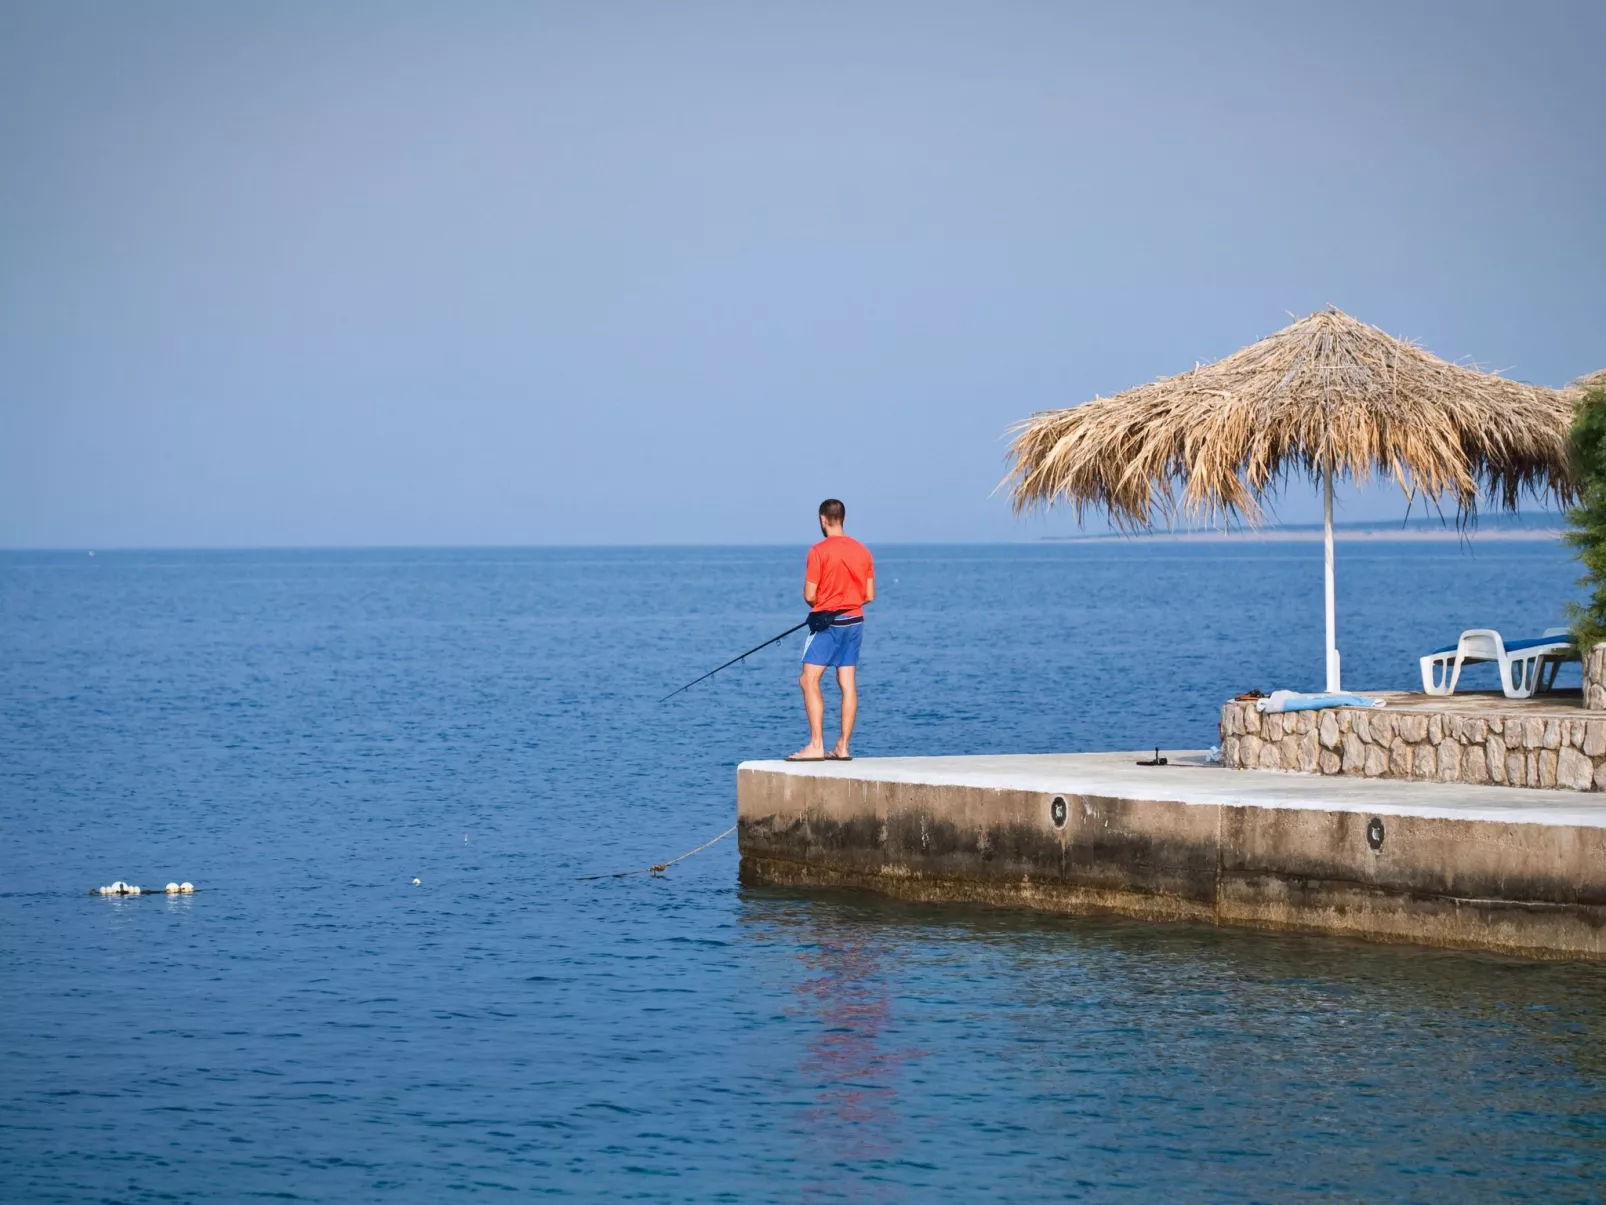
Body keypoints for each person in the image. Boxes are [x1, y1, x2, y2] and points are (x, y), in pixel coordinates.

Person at [786, 499, 874, 762]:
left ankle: (816, 745)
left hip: (830, 625)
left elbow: (809, 595)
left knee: (808, 680)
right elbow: (868, 595)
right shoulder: (863, 551)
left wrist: (824, 607)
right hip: (855, 621)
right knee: (847, 683)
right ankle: (843, 747)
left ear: (823, 520)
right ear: (843, 519)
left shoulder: (818, 551)